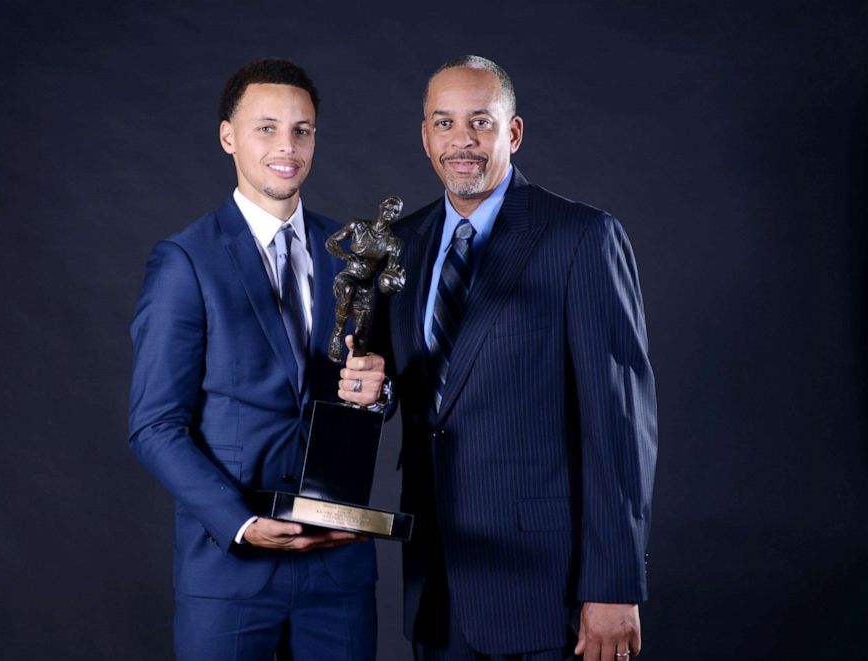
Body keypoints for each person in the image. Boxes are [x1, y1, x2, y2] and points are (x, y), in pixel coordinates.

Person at [364, 55, 658, 660]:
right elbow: (415, 391)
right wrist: (376, 392)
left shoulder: (580, 238)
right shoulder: (401, 246)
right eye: (443, 123)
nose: (461, 140)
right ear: (425, 138)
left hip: (547, 590)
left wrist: (613, 586)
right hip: (436, 585)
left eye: (480, 121)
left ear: (513, 133)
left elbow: (620, 426)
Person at [127, 58, 386, 661]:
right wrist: (241, 523)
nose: (286, 146)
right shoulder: (185, 262)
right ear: (228, 137)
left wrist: (379, 392)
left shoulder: (351, 252)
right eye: (266, 128)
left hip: (337, 569)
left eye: (302, 130)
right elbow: (154, 425)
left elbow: (369, 386)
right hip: (230, 568)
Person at [326, 195, 406, 363]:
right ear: (381, 207)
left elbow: (390, 270)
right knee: (348, 289)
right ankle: (337, 334)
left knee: (361, 337)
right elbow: (331, 243)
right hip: (348, 276)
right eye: (388, 208)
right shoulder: (358, 225)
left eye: (395, 212)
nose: (390, 213)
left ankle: (356, 374)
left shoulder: (393, 242)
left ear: (397, 215)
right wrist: (346, 256)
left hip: (366, 286)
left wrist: (396, 280)